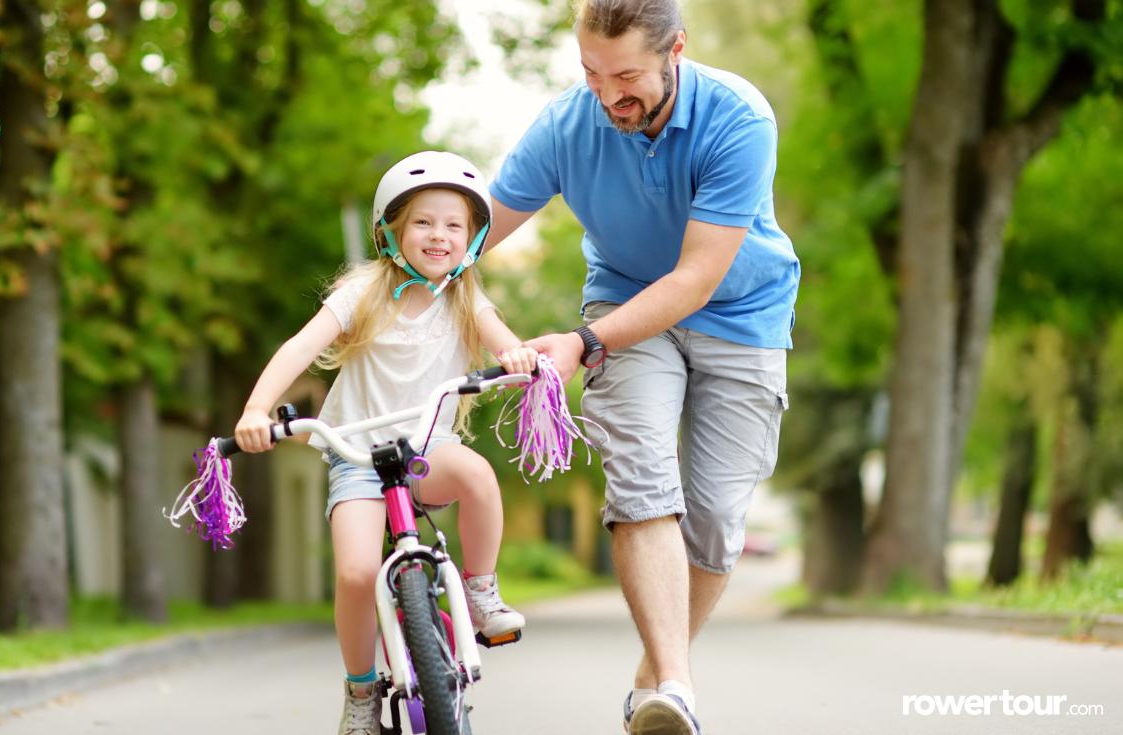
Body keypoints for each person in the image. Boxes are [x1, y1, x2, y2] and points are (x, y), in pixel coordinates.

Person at [482, 2, 800, 733]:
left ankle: (654, 673)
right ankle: (676, 689)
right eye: (591, 73)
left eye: (626, 76)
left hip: (739, 313)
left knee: (717, 516)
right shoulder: (567, 125)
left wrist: (581, 344)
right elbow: (476, 227)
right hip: (624, 303)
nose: (607, 95)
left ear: (676, 51)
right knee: (641, 478)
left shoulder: (739, 118)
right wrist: (401, 267)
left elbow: (694, 280)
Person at [232, 151, 538, 735]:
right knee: (353, 574)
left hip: (428, 449)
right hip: (357, 457)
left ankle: (479, 592)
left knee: (477, 475)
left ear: (473, 238)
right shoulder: (364, 291)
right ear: (392, 231)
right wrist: (256, 408)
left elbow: (505, 344)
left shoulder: (465, 297)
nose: (439, 235)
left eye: (455, 225)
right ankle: (361, 690)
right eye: (424, 222)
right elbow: (300, 347)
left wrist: (518, 356)